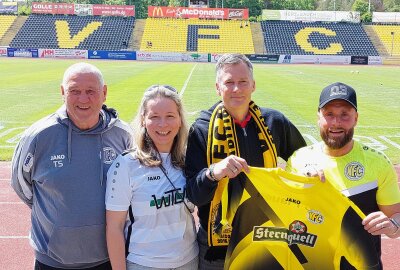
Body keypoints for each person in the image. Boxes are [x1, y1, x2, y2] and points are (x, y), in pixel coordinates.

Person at [184, 53, 306, 269]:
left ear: (253, 85)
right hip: (217, 248)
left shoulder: (273, 122)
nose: (236, 89)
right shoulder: (202, 129)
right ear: (217, 87)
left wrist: (310, 167)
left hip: (266, 238)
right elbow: (194, 194)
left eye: (243, 82)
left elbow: (303, 157)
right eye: (229, 82)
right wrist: (213, 173)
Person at [11, 62, 134, 270]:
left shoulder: (123, 135)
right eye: (74, 91)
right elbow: (21, 185)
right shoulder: (38, 136)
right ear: (62, 92)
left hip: (108, 259)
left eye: (91, 91)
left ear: (104, 93)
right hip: (51, 261)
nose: (83, 99)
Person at [286, 82, 400, 265]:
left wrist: (393, 226)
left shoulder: (378, 162)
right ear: (318, 117)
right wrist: (303, 188)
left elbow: (396, 217)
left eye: (344, 115)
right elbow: (287, 219)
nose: (336, 123)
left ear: (356, 118)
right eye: (329, 114)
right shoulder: (299, 161)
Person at [105, 85, 199, 270]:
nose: (162, 124)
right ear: (143, 120)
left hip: (189, 260)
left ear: (180, 120)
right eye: (154, 117)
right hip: (144, 264)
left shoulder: (191, 160)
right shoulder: (125, 165)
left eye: (170, 116)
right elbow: (114, 228)